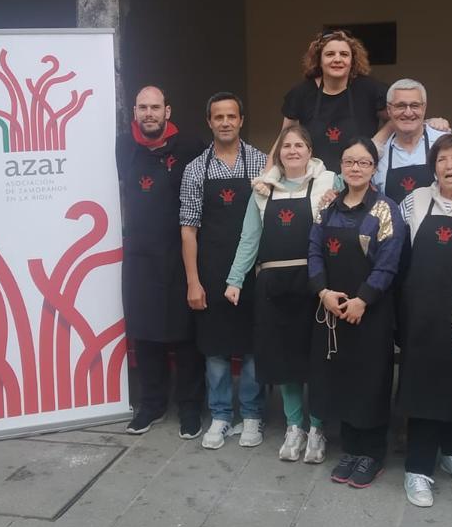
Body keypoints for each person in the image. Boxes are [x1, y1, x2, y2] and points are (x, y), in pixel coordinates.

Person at [225, 125, 336, 463]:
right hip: (273, 285)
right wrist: (235, 279)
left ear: (310, 150)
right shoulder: (262, 190)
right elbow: (249, 238)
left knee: (315, 358)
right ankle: (294, 426)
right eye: (286, 145)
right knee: (284, 359)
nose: (292, 150)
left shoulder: (330, 183)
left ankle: (317, 428)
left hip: (314, 282)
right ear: (278, 153)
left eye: (299, 144)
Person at [308, 138, 406, 488]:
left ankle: (372, 454)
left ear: (374, 168)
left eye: (363, 163)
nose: (355, 168)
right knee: (341, 380)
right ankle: (350, 449)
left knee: (371, 382)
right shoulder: (327, 208)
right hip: (332, 309)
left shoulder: (386, 210)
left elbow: (389, 262)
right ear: (341, 166)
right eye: (349, 162)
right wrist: (323, 292)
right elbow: (315, 252)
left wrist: (363, 299)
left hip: (371, 313)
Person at [395, 134, 452, 506]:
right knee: (422, 388)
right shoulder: (413, 201)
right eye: (442, 159)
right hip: (420, 313)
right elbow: (394, 250)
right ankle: (417, 470)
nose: (449, 166)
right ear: (433, 167)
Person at [180, 92, 269, 450]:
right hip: (211, 271)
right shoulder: (195, 169)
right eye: (219, 117)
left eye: (232, 116)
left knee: (252, 348)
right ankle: (219, 414)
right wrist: (193, 281)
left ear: (241, 120)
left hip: (253, 272)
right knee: (215, 350)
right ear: (209, 122)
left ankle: (251, 415)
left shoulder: (262, 163)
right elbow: (188, 228)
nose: (226, 122)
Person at [116, 86, 207, 439]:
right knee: (146, 335)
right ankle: (151, 404)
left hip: (180, 253)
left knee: (185, 337)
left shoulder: (190, 146)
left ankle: (189, 408)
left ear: (167, 111)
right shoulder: (123, 147)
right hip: (139, 256)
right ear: (134, 112)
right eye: (143, 108)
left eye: (155, 107)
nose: (149, 113)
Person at [280, 29, 389, 171]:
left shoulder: (370, 89)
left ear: (352, 60)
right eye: (330, 54)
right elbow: (285, 137)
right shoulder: (301, 93)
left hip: (359, 177)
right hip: (314, 180)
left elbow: (396, 119)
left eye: (344, 54)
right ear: (319, 60)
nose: (337, 59)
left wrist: (375, 143)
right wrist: (268, 174)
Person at [373, 79, 452, 204]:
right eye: (400, 106)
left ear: (424, 108)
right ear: (389, 110)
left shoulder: (446, 143)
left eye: (414, 106)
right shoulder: (379, 152)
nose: (408, 112)